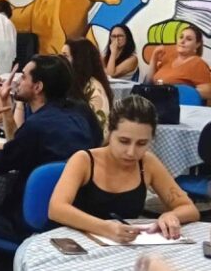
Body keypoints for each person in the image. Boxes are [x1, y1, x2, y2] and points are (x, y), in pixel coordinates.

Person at [0, 55, 102, 242]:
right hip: (76, 216)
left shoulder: (37, 125)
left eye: (24, 77)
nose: (18, 81)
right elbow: (20, 146)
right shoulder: (81, 112)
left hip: (29, 219)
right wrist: (6, 109)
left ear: (38, 87)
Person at [48, 95, 199, 243]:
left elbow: (188, 208)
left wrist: (171, 216)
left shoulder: (147, 163)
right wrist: (105, 228)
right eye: (124, 141)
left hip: (124, 246)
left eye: (141, 144)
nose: (131, 152)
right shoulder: (84, 160)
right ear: (109, 132)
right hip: (77, 242)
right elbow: (56, 209)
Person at [145, 24, 211, 99]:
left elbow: (208, 92)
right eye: (181, 37)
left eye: (189, 39)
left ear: (197, 45)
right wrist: (154, 57)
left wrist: (177, 91)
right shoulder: (169, 58)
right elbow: (148, 82)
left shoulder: (197, 63)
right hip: (153, 99)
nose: (182, 41)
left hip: (174, 104)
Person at [63, 38, 114, 128]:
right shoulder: (71, 82)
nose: (60, 59)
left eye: (65, 56)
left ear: (79, 60)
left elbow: (97, 127)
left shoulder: (95, 89)